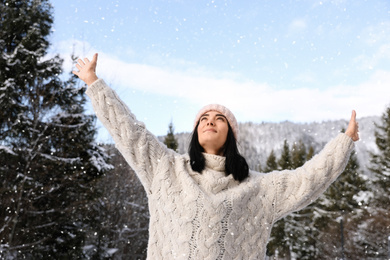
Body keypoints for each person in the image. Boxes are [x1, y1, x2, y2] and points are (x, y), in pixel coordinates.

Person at [73, 53, 359, 260]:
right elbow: (129, 132)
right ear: (196, 131)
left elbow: (307, 180)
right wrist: (95, 84)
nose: (210, 121)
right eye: (204, 118)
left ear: (231, 135)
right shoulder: (165, 169)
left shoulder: (257, 189)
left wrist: (344, 142)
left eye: (219, 118)